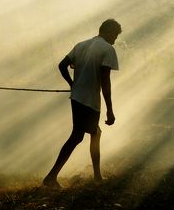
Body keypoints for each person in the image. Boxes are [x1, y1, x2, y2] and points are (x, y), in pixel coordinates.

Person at [43, 19, 121, 187]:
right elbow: (105, 82)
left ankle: (96, 176)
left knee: (93, 133)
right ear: (108, 32)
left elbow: (62, 65)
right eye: (115, 35)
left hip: (77, 97)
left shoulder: (81, 45)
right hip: (90, 100)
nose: (115, 40)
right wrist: (110, 110)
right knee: (79, 136)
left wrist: (72, 84)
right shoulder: (107, 49)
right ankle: (51, 177)